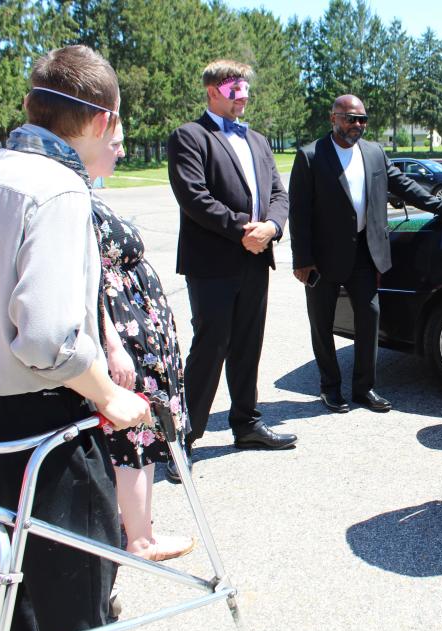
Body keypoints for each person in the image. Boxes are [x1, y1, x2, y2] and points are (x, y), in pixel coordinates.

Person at [0, 45, 152, 631]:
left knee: (12, 599)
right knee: (69, 612)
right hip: (37, 425)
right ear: (104, 118)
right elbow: (48, 339)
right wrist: (108, 396)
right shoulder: (59, 189)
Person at [288, 95, 442, 414]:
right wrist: (302, 259)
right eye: (350, 118)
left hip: (365, 253)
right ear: (333, 118)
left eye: (362, 119)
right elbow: (299, 212)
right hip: (322, 257)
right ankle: (330, 389)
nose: (357, 124)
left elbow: (404, 185)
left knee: (369, 318)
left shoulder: (373, 152)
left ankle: (364, 388)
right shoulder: (311, 156)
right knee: (322, 323)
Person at [167, 60, 295, 477]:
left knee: (248, 344)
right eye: (233, 89)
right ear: (212, 91)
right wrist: (245, 229)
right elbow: (194, 197)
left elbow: (278, 192)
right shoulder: (189, 137)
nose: (242, 95)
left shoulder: (257, 140)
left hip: (256, 259)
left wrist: (272, 226)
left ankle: (247, 424)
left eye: (244, 88)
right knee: (210, 347)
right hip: (214, 263)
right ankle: (184, 438)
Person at [89, 121, 196, 560]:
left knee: (139, 431)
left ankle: (130, 523)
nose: (121, 150)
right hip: (124, 338)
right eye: (114, 143)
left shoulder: (85, 193)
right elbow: (89, 279)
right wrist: (112, 342)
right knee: (136, 433)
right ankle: (141, 539)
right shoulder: (71, 200)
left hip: (138, 330)